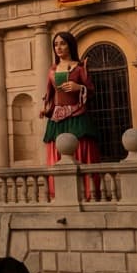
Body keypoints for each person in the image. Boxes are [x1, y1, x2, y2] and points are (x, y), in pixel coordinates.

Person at [40, 30, 102, 198]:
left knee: (81, 151)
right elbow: (49, 93)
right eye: (56, 44)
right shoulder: (52, 70)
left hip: (77, 115)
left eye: (62, 43)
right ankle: (58, 193)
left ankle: (87, 193)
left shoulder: (80, 68)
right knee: (56, 153)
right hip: (56, 118)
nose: (58, 47)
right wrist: (46, 108)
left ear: (70, 45)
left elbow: (90, 91)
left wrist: (78, 87)